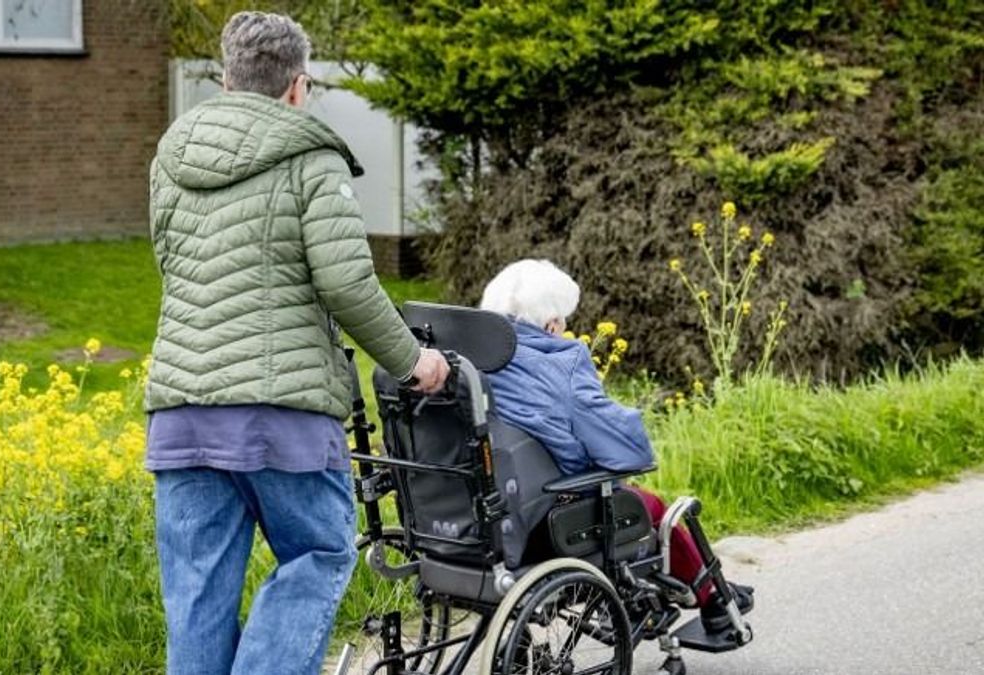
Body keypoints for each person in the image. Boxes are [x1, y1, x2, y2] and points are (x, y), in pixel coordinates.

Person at [144, 12, 449, 675]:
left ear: (227, 77)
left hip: (180, 412)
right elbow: (346, 281)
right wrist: (413, 359)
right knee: (319, 552)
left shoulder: (173, 152)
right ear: (297, 86)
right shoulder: (310, 156)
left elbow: (171, 261)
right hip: (278, 411)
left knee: (197, 594)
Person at [480, 259, 752, 634]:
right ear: (550, 324)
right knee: (651, 506)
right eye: (562, 322)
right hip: (546, 520)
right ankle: (714, 599)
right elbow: (627, 452)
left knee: (622, 499)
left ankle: (650, 604)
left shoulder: (468, 364)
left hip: (479, 522)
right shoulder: (561, 361)